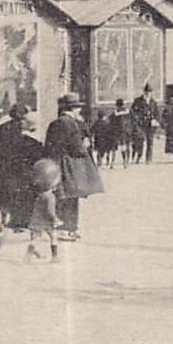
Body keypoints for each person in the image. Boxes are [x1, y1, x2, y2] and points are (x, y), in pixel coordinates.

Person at [45, 93, 102, 241]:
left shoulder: (56, 123)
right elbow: (77, 148)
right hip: (70, 164)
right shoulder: (71, 124)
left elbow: (48, 145)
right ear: (74, 109)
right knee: (71, 196)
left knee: (61, 195)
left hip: (57, 163)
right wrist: (85, 145)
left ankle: (61, 227)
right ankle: (68, 228)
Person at [0, 109, 45, 250]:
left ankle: (4, 222)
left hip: (7, 165)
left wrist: (5, 153)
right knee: (28, 202)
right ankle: (30, 236)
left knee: (5, 193)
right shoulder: (32, 141)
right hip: (25, 173)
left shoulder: (3, 127)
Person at [25, 158, 62, 263]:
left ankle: (28, 256)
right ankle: (54, 257)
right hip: (47, 222)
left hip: (36, 220)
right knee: (54, 237)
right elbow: (50, 211)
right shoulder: (50, 197)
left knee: (35, 239)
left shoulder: (39, 195)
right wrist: (55, 219)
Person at [130, 84, 159, 164]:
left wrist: (156, 120)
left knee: (150, 142)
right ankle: (139, 156)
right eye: (146, 92)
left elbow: (156, 113)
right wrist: (137, 120)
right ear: (143, 92)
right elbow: (133, 111)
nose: (148, 94)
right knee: (140, 141)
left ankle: (148, 159)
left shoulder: (153, 102)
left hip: (150, 124)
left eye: (149, 92)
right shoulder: (138, 101)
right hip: (141, 124)